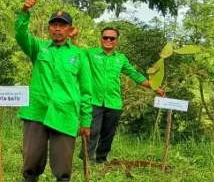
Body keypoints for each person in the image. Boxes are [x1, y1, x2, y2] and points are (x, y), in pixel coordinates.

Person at [16, 0, 91, 182]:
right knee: (31, 156)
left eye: (62, 25)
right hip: (36, 111)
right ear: (49, 29)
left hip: (65, 112)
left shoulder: (79, 55)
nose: (58, 29)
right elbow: (21, 35)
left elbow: (85, 90)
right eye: (54, 25)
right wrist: (24, 12)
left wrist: (85, 120)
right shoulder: (39, 48)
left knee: (63, 159)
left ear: (69, 29)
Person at [70, 27, 165, 164]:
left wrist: (154, 87)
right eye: (105, 37)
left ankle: (101, 160)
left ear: (117, 41)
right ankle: (86, 160)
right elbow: (77, 53)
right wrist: (73, 38)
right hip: (94, 100)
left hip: (113, 102)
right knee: (91, 131)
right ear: (100, 39)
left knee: (108, 134)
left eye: (112, 38)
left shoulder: (121, 59)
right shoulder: (91, 54)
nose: (108, 40)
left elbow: (134, 75)